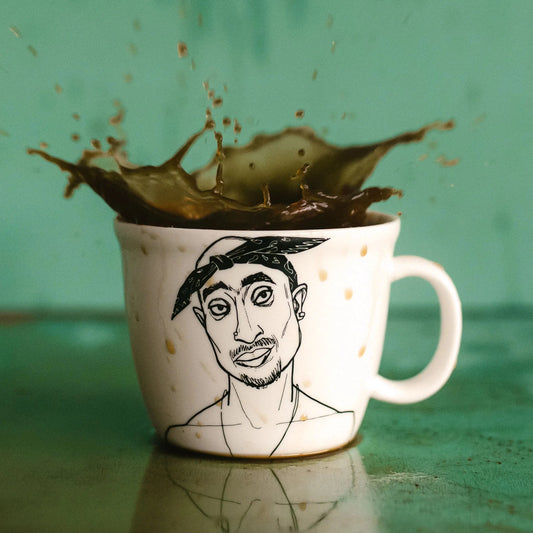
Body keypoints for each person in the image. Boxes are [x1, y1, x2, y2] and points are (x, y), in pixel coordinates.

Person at [165, 236, 355, 456]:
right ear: (203, 321)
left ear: (296, 302)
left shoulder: (335, 423)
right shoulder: (191, 432)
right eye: (220, 308)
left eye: (263, 296)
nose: (246, 333)